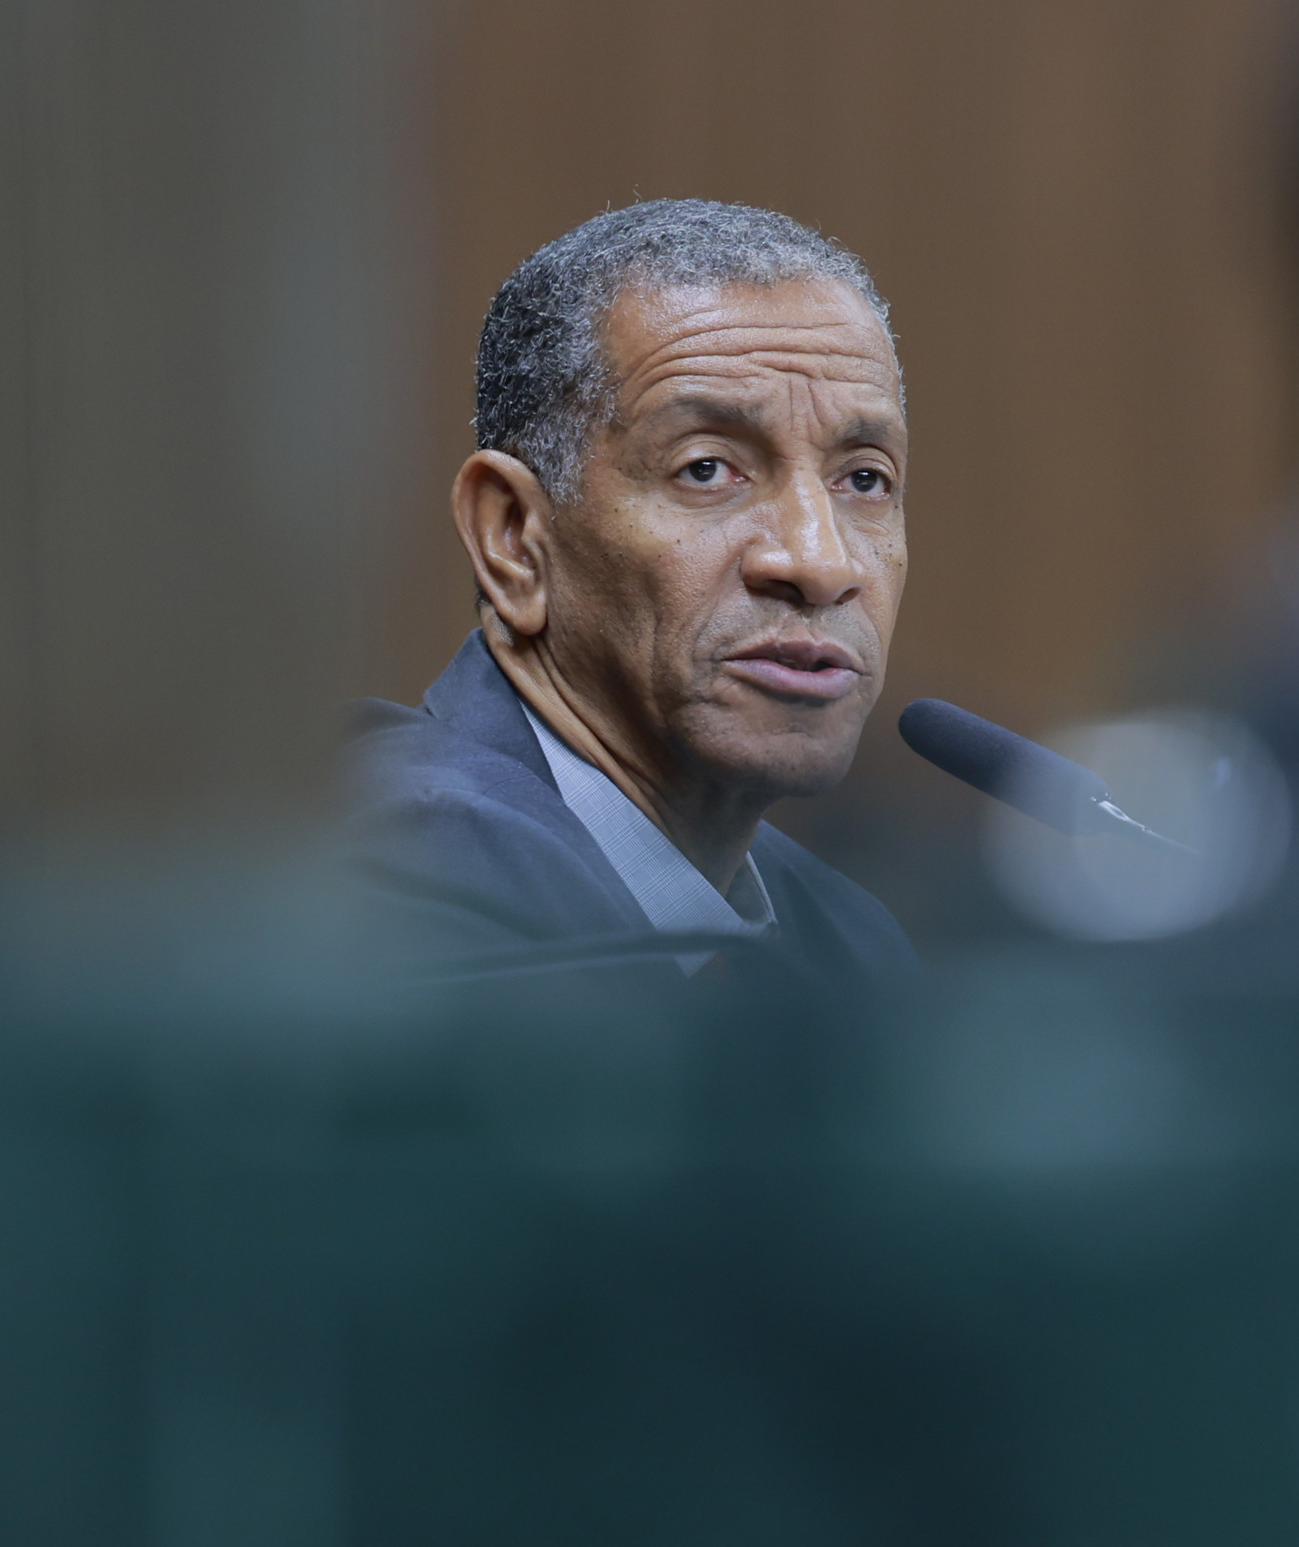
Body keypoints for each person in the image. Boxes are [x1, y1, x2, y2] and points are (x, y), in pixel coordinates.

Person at [347, 200, 918, 981]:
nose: (820, 563)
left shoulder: (848, 940)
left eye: (864, 479)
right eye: (706, 469)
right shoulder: (388, 883)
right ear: (513, 537)